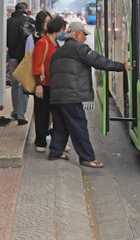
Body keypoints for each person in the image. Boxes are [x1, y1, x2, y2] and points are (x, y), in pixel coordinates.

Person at [48, 21, 131, 168]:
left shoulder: (58, 52)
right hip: (72, 95)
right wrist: (121, 67)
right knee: (78, 125)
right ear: (78, 34)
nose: (85, 38)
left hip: (57, 96)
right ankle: (87, 158)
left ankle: (56, 152)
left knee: (61, 125)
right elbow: (100, 62)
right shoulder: (80, 49)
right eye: (84, 35)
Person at [31, 15, 66, 153]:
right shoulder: (43, 43)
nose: (64, 32)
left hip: (54, 84)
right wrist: (38, 85)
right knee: (42, 114)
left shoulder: (55, 43)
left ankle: (57, 141)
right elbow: (37, 65)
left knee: (56, 114)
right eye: (63, 29)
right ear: (57, 30)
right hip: (44, 85)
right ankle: (40, 141)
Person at [7, 2, 34, 125]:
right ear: (25, 10)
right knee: (23, 85)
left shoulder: (9, 22)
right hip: (25, 58)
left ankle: (15, 110)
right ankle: (21, 115)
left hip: (12, 56)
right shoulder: (30, 20)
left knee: (14, 84)